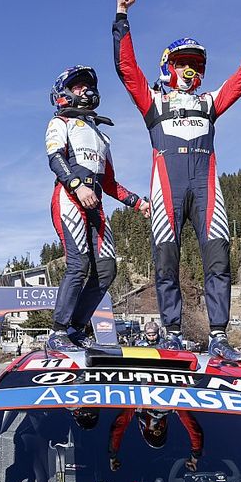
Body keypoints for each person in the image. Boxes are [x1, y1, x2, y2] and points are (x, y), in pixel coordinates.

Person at [112, 0, 241, 360]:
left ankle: (218, 336)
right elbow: (125, 68)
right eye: (182, 63)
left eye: (195, 65)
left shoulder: (210, 101)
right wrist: (121, 16)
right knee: (166, 260)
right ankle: (171, 332)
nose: (189, 70)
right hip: (167, 187)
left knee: (218, 258)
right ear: (168, 65)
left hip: (206, 184)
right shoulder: (154, 100)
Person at [45, 64, 150, 352]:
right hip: (69, 197)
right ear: (63, 93)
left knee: (106, 270)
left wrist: (138, 202)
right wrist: (77, 185)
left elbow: (110, 182)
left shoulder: (101, 136)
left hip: (97, 205)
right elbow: (55, 158)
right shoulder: (60, 123)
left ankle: (76, 329)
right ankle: (57, 332)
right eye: (77, 86)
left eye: (87, 85)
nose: (85, 90)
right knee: (78, 266)